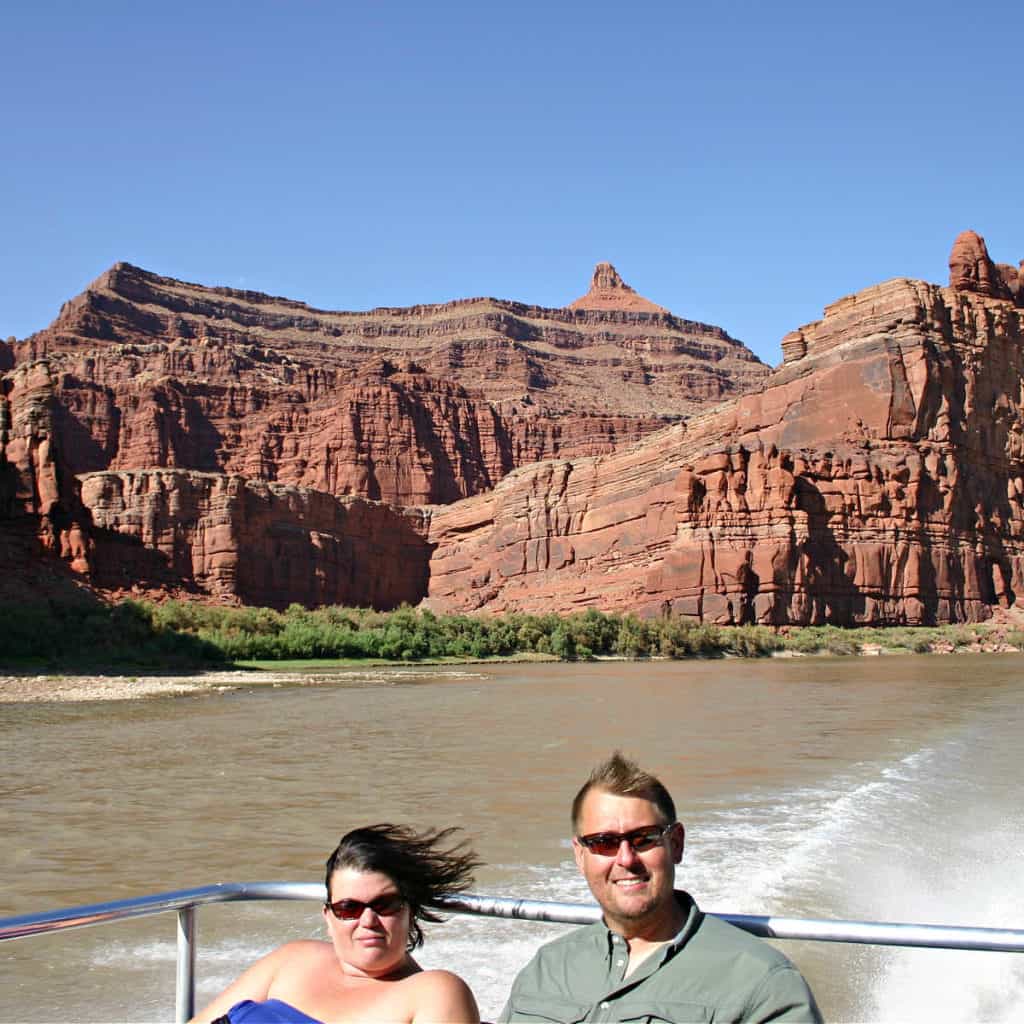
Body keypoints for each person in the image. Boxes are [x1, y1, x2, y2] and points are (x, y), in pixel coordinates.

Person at [499, 752, 823, 1023]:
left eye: (645, 839)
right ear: (580, 855)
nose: (625, 859)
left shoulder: (760, 982)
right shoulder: (547, 967)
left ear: (676, 844)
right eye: (603, 843)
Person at [191, 824, 481, 1024]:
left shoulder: (433, 992)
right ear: (328, 917)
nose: (368, 920)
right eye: (349, 908)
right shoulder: (292, 959)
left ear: (410, 911)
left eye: (384, 905)